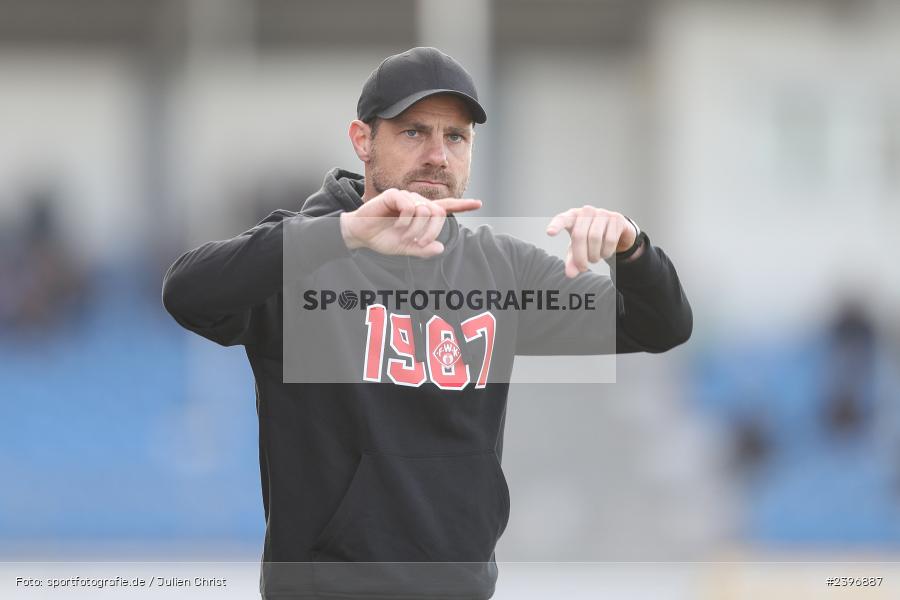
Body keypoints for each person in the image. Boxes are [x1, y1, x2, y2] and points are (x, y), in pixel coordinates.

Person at [162, 47, 692, 600]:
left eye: (456, 137)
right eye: (414, 133)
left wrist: (631, 247)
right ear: (363, 141)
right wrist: (343, 234)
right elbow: (186, 293)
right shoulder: (305, 252)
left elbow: (660, 327)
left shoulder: (500, 268)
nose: (438, 155)